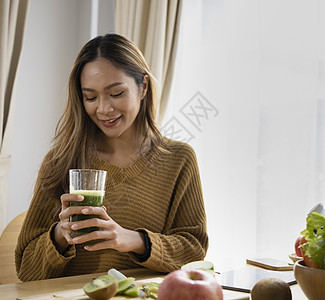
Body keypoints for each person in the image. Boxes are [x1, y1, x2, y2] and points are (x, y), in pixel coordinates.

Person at [15, 33, 208, 281]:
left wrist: (135, 240)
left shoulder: (179, 159)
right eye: (91, 97)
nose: (104, 109)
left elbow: (194, 251)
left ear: (143, 87)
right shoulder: (60, 161)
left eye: (116, 93)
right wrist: (61, 235)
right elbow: (25, 269)